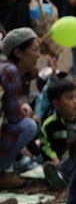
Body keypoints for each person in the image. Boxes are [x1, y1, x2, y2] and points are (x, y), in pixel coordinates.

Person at [0, 28, 42, 189]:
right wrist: (28, 114)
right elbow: (15, 117)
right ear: (18, 52)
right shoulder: (11, 72)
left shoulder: (4, 67)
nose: (37, 55)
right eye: (34, 49)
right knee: (29, 125)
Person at [39, 78, 76, 188]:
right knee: (53, 165)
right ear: (56, 103)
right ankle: (58, 176)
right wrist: (54, 159)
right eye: (70, 98)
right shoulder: (50, 124)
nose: (75, 102)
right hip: (59, 159)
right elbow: (46, 146)